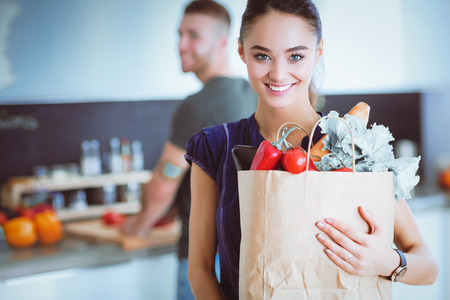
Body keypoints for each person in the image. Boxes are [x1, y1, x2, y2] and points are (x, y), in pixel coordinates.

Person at [185, 0, 439, 299]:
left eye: (295, 56)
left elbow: (428, 266)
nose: (278, 74)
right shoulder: (215, 147)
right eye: (263, 55)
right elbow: (199, 269)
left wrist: (388, 262)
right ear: (241, 52)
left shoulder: (352, 144)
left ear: (318, 52)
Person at [121, 1, 256, 299]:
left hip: (205, 260)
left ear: (224, 43)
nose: (181, 45)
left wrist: (139, 226)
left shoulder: (198, 105)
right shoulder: (254, 94)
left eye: (194, 35)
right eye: (179, 34)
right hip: (248, 256)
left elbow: (164, 181)